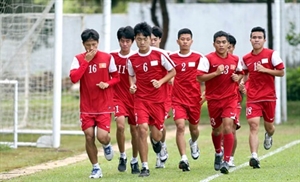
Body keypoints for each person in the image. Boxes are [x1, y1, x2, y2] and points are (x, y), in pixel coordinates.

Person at [127, 21, 176, 177]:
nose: (142, 42)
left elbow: (173, 71)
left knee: (156, 135)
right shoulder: (132, 59)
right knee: (141, 129)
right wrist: (132, 86)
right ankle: (145, 166)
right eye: (139, 39)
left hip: (159, 101)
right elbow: (131, 75)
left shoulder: (160, 55)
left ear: (150, 39)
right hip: (141, 100)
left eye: (145, 39)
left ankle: (157, 142)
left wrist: (160, 82)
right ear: (135, 39)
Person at [69, 29, 119, 178]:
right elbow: (74, 78)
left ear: (98, 43)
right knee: (89, 135)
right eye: (88, 45)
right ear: (83, 44)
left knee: (102, 136)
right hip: (87, 106)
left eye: (94, 44)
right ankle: (96, 167)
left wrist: (108, 84)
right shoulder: (78, 59)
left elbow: (116, 77)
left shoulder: (107, 58)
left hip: (104, 104)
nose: (91, 48)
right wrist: (86, 61)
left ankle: (107, 144)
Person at [197, 31, 244, 174]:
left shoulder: (235, 59)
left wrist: (238, 77)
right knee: (216, 130)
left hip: (230, 99)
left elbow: (241, 72)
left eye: (224, 42)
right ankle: (218, 152)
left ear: (228, 44)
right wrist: (216, 73)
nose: (221, 45)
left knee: (228, 126)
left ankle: (226, 160)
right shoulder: (208, 59)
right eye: (218, 42)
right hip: (213, 100)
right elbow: (200, 77)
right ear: (214, 44)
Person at [242, 26, 285, 169]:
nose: (256, 40)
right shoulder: (246, 58)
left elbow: (281, 72)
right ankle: (254, 156)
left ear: (264, 40)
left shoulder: (272, 55)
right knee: (253, 125)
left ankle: (269, 135)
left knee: (270, 127)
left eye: (259, 37)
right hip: (253, 98)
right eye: (254, 37)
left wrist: (265, 69)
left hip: (269, 97)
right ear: (250, 40)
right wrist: (243, 84)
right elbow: (246, 74)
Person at [169, 28, 206, 172]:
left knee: (194, 129)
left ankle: (193, 142)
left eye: (187, 39)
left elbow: (206, 77)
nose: (185, 41)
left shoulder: (199, 57)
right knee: (180, 126)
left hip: (194, 99)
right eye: (182, 39)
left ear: (192, 41)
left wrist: (205, 94)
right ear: (177, 41)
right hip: (177, 99)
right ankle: (183, 158)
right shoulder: (171, 57)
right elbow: (165, 74)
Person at [110, 26, 140, 174]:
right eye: (122, 41)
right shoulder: (112, 57)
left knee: (135, 130)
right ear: (119, 41)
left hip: (134, 99)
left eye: (128, 41)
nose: (125, 44)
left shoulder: (137, 57)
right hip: (117, 98)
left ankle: (135, 160)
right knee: (120, 126)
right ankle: (122, 156)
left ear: (132, 42)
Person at [150, 25, 170, 169]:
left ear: (160, 40)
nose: (152, 42)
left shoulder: (166, 55)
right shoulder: (142, 55)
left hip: (165, 95)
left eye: (154, 40)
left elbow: (175, 74)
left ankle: (161, 147)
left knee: (160, 124)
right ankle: (158, 148)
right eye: (149, 39)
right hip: (147, 97)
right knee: (151, 128)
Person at [227, 34, 241, 167]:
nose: (226, 49)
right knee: (219, 130)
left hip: (234, 100)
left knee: (232, 128)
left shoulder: (236, 62)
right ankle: (220, 153)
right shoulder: (215, 62)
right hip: (218, 100)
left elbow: (245, 76)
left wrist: (242, 85)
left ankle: (230, 157)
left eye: (229, 47)